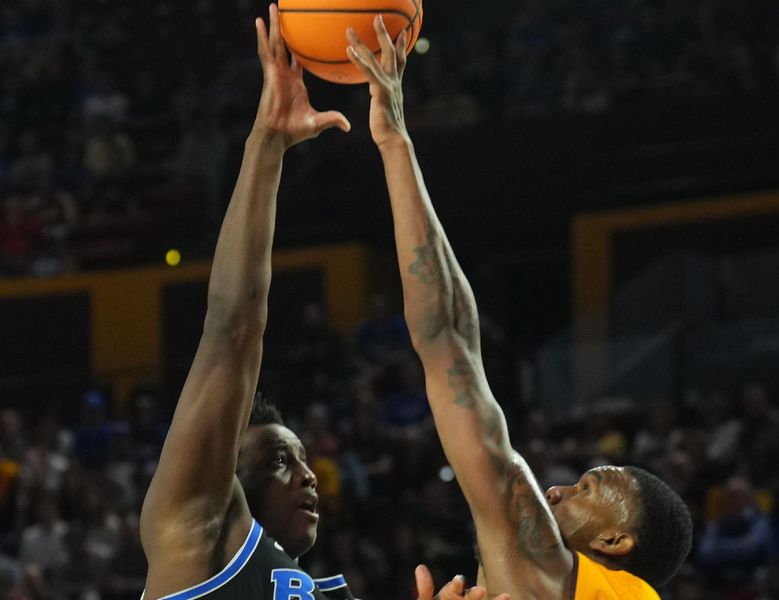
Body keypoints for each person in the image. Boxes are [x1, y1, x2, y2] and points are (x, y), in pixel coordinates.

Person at [139, 7, 498, 600]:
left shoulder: (326, 590)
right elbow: (232, 327)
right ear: (222, 473)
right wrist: (268, 142)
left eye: (301, 458)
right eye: (280, 459)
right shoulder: (194, 530)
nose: (307, 473)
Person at [347, 17, 693, 600]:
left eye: (588, 489)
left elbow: (450, 338)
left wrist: (394, 141)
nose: (557, 491)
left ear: (613, 543)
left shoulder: (580, 579)